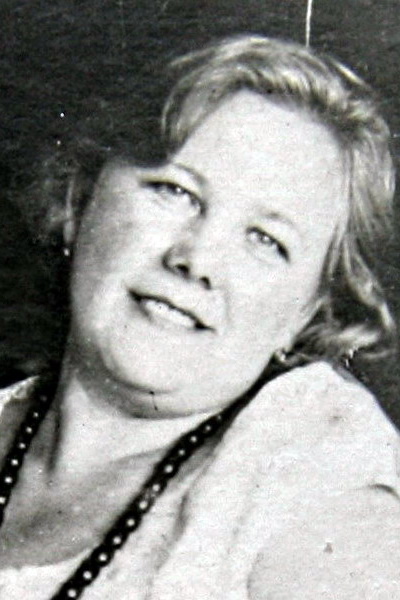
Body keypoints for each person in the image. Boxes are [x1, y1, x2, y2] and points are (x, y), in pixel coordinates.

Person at [0, 34, 399, 599]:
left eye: (266, 240)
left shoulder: (316, 480)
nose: (197, 260)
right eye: (176, 192)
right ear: (78, 201)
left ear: (307, 312)